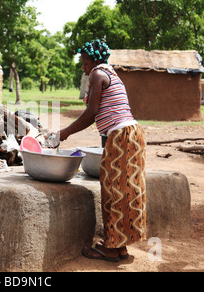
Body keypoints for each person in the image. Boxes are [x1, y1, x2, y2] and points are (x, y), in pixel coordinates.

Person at [57, 39, 147, 262]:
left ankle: (110, 248)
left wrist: (65, 132)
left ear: (95, 61)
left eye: (84, 63)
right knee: (125, 189)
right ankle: (119, 246)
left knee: (114, 191)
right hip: (130, 135)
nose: (83, 67)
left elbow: (92, 111)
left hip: (121, 136)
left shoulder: (98, 73)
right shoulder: (111, 73)